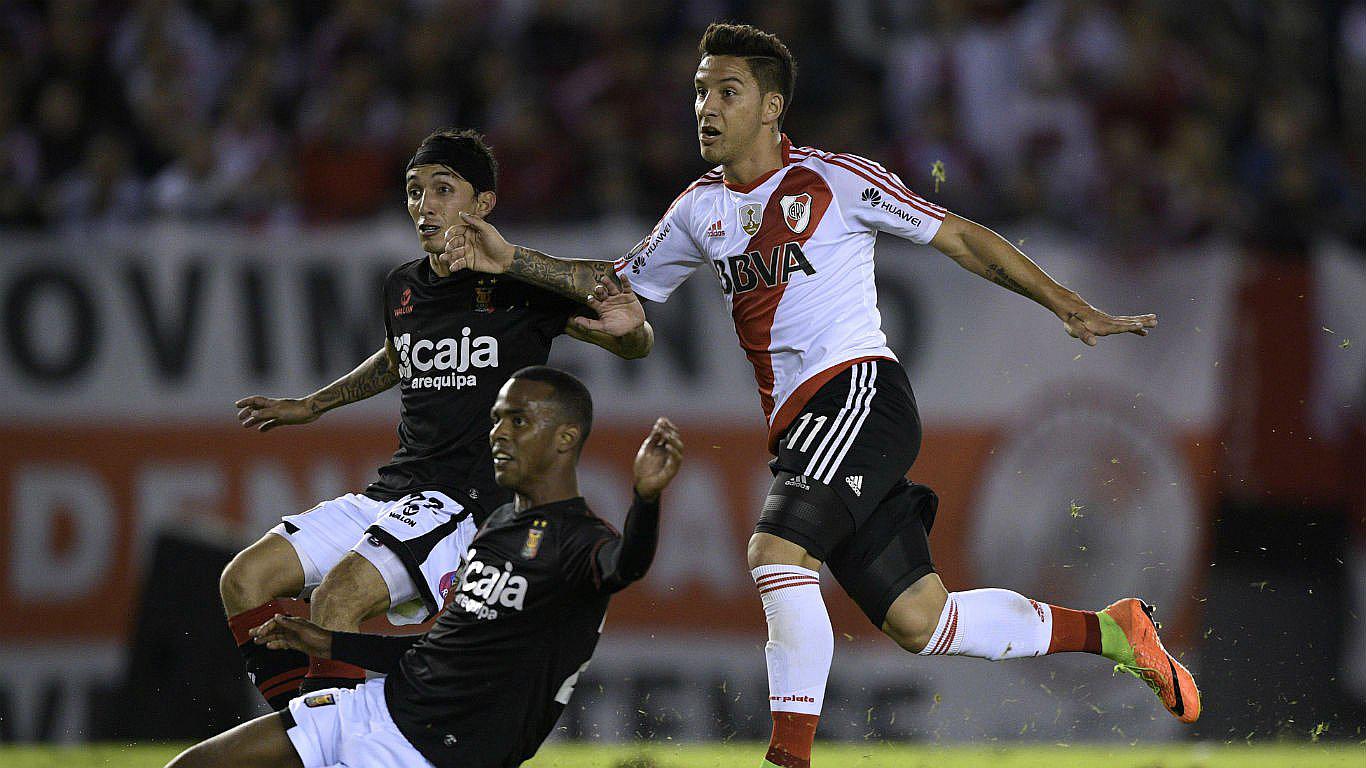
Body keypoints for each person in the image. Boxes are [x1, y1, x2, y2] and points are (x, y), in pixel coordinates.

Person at [442, 22, 1198, 768]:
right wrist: (520, 267)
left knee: (775, 551)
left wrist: (1064, 301)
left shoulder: (836, 180)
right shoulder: (697, 210)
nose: (706, 106)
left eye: (727, 92)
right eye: (700, 91)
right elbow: (623, 302)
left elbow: (961, 236)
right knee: (921, 620)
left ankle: (788, 760)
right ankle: (1111, 632)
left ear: (771, 107)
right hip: (806, 427)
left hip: (859, 393)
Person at [220, 128, 652, 708]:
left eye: (442, 189)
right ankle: (303, 735)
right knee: (244, 581)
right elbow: (401, 353)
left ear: (482, 204)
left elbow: (627, 327)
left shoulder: (518, 286)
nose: (424, 205)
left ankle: (329, 745)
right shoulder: (404, 286)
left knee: (335, 604)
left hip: (467, 502)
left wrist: (513, 260)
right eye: (414, 191)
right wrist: (314, 404)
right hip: (396, 490)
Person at [169, 367, 683, 768]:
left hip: (432, 753)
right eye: (497, 419)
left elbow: (625, 565)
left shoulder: (580, 540)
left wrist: (645, 500)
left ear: (566, 439)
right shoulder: (500, 525)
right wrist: (329, 644)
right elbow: (439, 652)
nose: (499, 434)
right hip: (380, 705)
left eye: (518, 421)